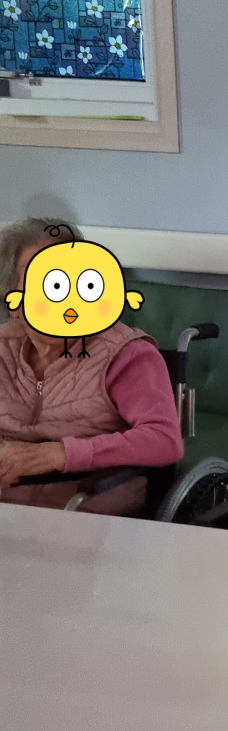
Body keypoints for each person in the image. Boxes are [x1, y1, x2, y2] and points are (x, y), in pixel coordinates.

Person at [0, 218, 183, 513]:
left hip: (83, 507)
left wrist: (60, 453)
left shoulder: (126, 353)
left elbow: (164, 440)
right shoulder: (4, 346)